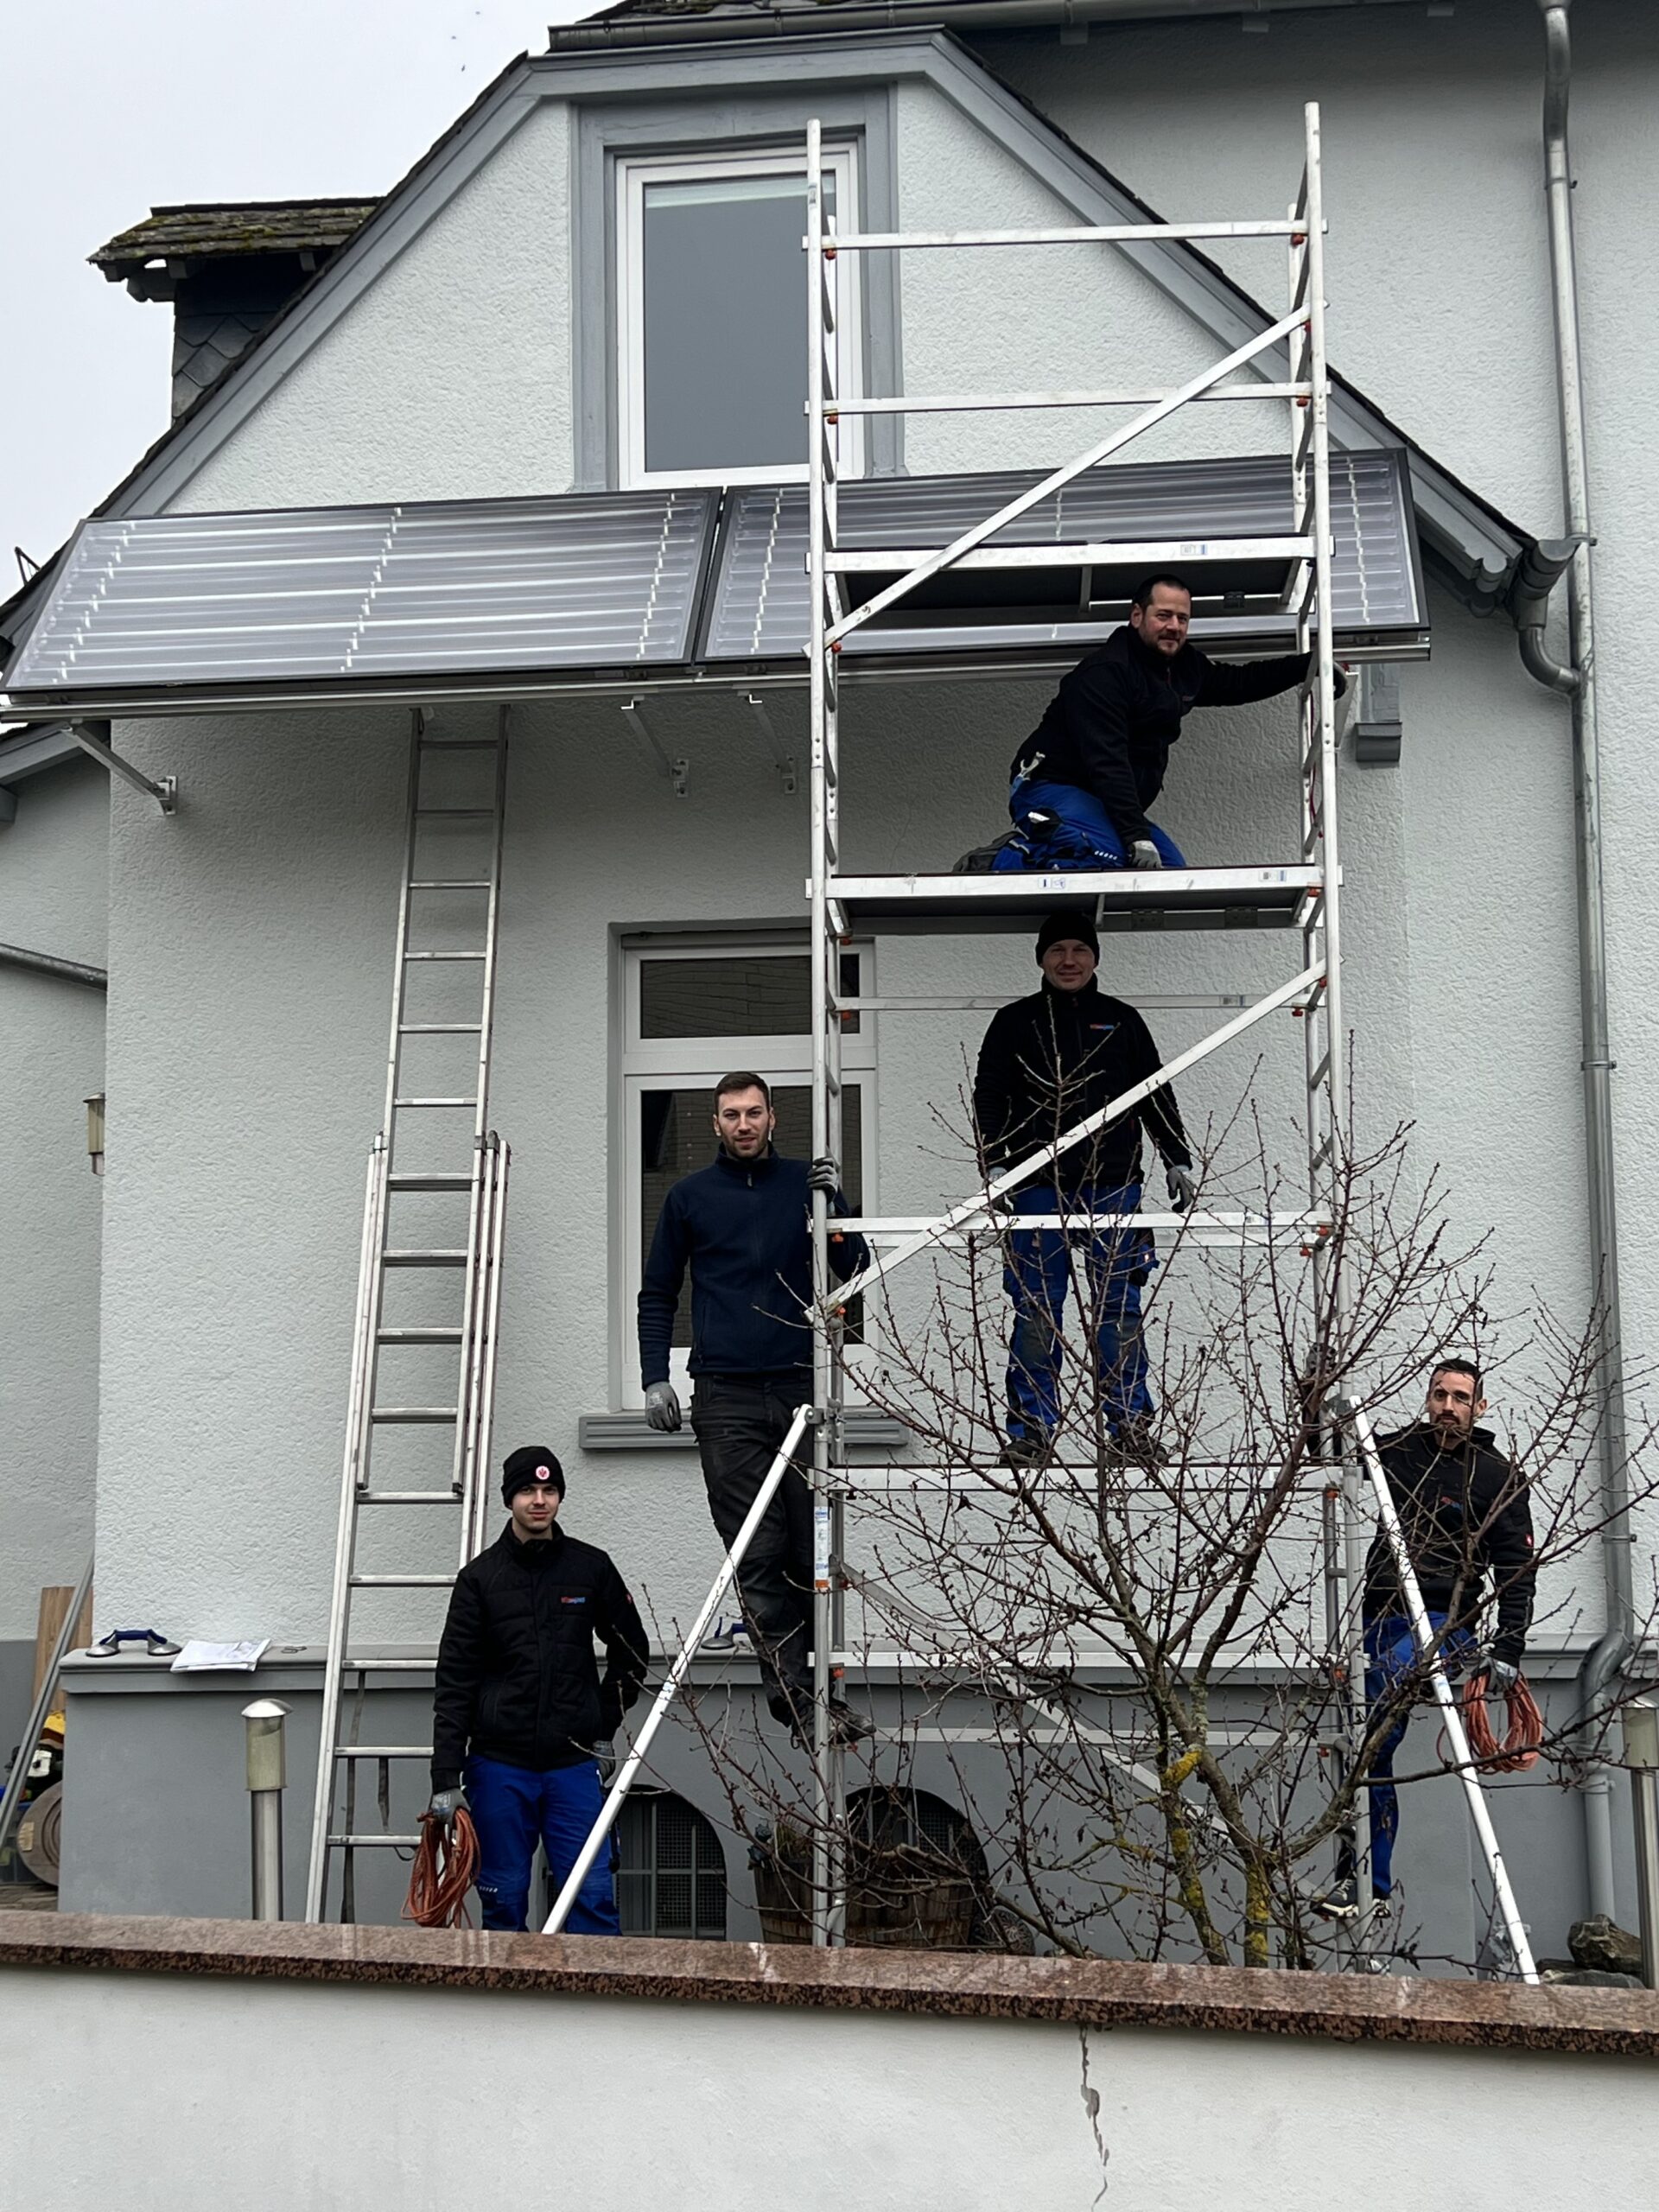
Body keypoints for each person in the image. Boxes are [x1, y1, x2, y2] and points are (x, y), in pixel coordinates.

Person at [638, 1071, 873, 1747]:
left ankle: (824, 1695)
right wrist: (657, 1379)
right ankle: (797, 1705)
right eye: (730, 1115)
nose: (743, 1125)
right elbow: (658, 1294)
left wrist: (833, 1209)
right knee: (758, 1553)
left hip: (799, 1385)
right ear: (715, 1124)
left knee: (811, 1553)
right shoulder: (688, 1198)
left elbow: (855, 1272)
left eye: (754, 1113)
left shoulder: (802, 1184)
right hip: (726, 1398)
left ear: (773, 1118)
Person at [973, 913, 1197, 1469]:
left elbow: (1153, 1092)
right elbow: (990, 1096)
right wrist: (998, 1166)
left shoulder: (1121, 1022)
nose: (1068, 960)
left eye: (1079, 949)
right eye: (1057, 951)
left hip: (1112, 1187)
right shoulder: (1014, 1022)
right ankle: (1030, 1432)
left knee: (1117, 1311)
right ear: (1041, 959)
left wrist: (1176, 1158)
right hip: (1037, 1187)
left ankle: (1127, 1430)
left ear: (1095, 958)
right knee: (1036, 1313)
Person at [1321, 1359, 1536, 1918]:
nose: (1447, 1405)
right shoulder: (1397, 1450)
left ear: (1479, 1407)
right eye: (1439, 1394)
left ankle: (1369, 1879)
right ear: (1427, 1398)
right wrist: (1317, 1399)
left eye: (1460, 1397)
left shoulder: (1496, 1475)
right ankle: (1362, 1880)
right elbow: (1329, 1455)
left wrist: (1509, 1648)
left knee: (1378, 1708)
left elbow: (1517, 1568)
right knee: (1370, 1742)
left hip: (1447, 1623)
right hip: (1381, 1615)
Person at [427, 1445, 648, 1934]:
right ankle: (508, 2010)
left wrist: (603, 1723)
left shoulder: (590, 1568)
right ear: (510, 1499)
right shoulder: (479, 1581)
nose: (539, 1500)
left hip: (572, 1765)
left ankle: (594, 2007)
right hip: (499, 1768)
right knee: (503, 1899)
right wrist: (445, 1776)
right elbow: (455, 1681)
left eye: (549, 1490)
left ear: (560, 1497)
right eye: (528, 1490)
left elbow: (632, 1651)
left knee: (590, 1897)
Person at [994, 572, 1339, 874]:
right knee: (1113, 855)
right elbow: (1107, 760)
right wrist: (1134, 836)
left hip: (1101, 802)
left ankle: (1068, 846)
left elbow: (1240, 682)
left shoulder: (1184, 667)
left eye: (1182, 618)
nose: (1174, 626)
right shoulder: (1106, 674)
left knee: (1169, 873)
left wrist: (1310, 665)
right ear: (1137, 616)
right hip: (1050, 788)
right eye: (1163, 615)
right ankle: (1008, 858)